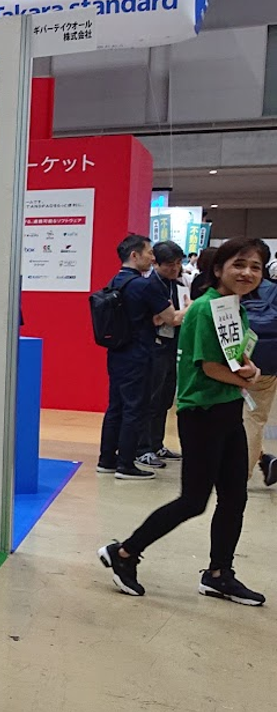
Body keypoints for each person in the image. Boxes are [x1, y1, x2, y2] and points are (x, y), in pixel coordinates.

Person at [99, 237, 267, 606]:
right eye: (239, 264)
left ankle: (219, 574)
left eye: (255, 266)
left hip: (228, 410)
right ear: (219, 269)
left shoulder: (234, 308)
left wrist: (249, 369)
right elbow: (209, 367)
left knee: (234, 497)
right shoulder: (206, 309)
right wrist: (247, 379)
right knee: (193, 500)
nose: (247, 273)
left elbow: (236, 357)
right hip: (202, 414)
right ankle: (124, 553)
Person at [98, 234, 179, 480]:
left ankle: (107, 459)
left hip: (117, 352)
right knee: (135, 408)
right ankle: (126, 464)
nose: (152, 258)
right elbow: (173, 318)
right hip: (140, 354)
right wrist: (193, 306)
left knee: (115, 407)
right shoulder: (144, 285)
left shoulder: (115, 282)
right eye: (149, 252)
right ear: (135, 255)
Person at [136, 241, 188, 470]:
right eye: (169, 264)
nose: (175, 268)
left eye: (178, 263)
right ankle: (142, 448)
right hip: (153, 347)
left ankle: (157, 444)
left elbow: (168, 318)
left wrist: (172, 315)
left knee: (165, 399)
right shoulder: (150, 285)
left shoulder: (176, 284)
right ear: (156, 262)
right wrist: (185, 310)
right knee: (151, 398)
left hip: (171, 345)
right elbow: (169, 319)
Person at [241, 242, 277, 486]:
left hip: (232, 359)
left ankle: (239, 472)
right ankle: (250, 465)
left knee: (236, 416)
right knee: (254, 417)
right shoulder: (273, 290)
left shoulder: (230, 289)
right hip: (267, 362)